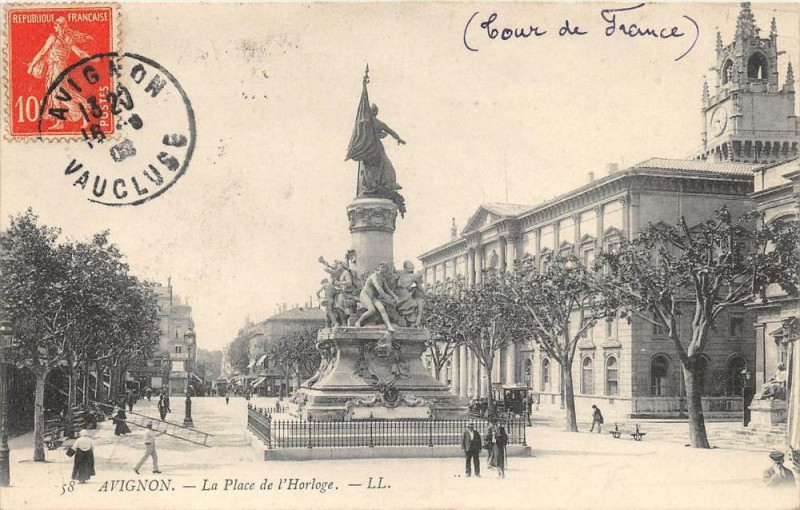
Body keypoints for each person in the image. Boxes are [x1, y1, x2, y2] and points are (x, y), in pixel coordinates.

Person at [25, 16, 92, 130]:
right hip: (56, 68)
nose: (54, 27)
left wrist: (31, 66)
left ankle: (83, 109)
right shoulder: (68, 39)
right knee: (54, 94)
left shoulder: (54, 37)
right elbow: (80, 53)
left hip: (57, 68)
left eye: (56, 25)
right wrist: (92, 58)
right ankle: (60, 121)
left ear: (61, 26)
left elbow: (42, 52)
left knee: (60, 93)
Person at [355, 263, 398, 331]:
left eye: (385, 268)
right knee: (372, 310)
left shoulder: (383, 278)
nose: (383, 270)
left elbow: (388, 290)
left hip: (373, 297)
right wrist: (386, 298)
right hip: (365, 295)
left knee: (382, 308)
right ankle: (358, 321)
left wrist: (395, 296)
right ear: (379, 268)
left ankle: (389, 326)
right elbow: (378, 288)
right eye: (382, 268)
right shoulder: (374, 276)